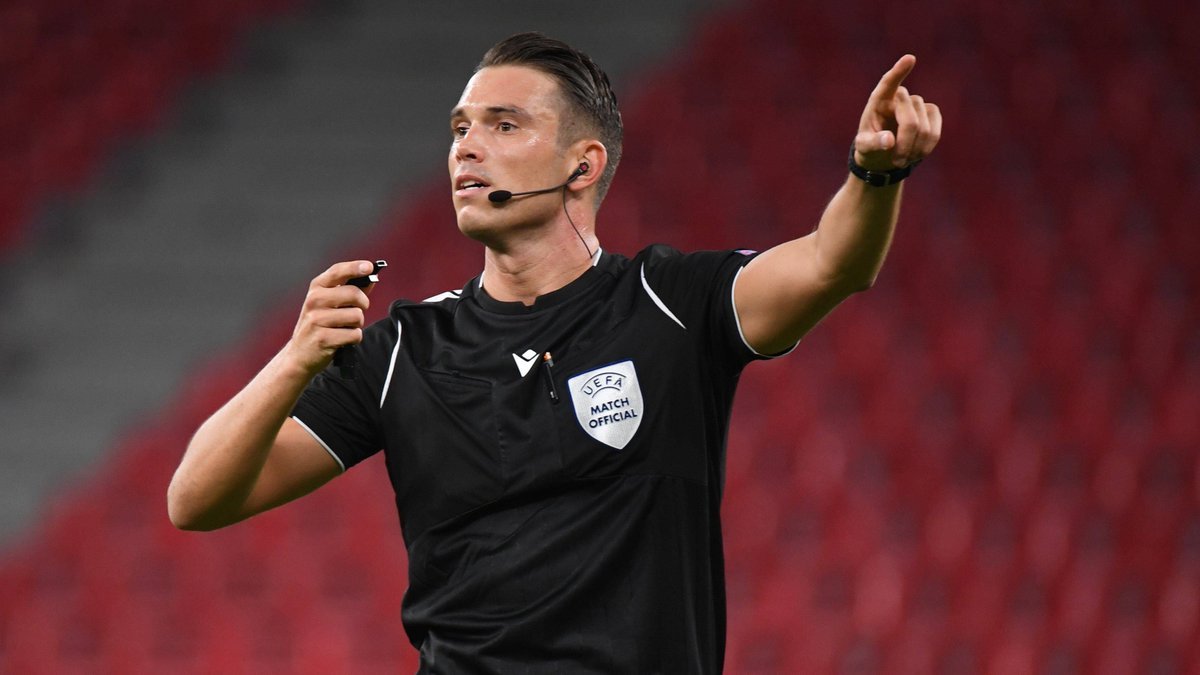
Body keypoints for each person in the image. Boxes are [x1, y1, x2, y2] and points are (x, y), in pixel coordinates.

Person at [168, 32, 941, 673]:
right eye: (460, 129)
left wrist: (876, 173)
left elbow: (832, 262)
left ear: (583, 164)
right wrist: (294, 360)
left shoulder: (671, 303)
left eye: (504, 125)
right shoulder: (403, 348)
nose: (467, 148)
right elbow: (195, 499)